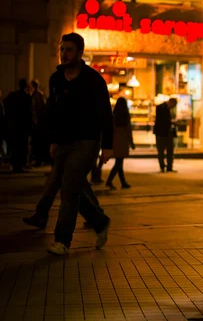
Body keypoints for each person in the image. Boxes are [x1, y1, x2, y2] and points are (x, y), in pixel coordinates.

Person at [44, 32, 113, 255]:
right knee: (70, 187)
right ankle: (99, 221)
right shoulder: (55, 79)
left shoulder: (93, 80)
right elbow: (52, 112)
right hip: (63, 141)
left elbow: (106, 114)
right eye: (62, 49)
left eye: (69, 50)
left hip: (87, 141)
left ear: (80, 53)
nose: (64, 54)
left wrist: (108, 146)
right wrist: (53, 140)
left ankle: (62, 240)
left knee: (69, 184)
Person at [3, 78, 33, 172]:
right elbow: (29, 113)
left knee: (15, 145)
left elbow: (6, 107)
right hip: (23, 126)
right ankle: (21, 165)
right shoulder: (27, 97)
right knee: (22, 146)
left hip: (14, 125)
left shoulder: (13, 96)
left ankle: (15, 164)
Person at [106, 97, 135, 189]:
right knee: (119, 162)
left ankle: (122, 182)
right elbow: (128, 129)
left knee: (119, 161)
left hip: (115, 139)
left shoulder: (113, 114)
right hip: (123, 139)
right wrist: (131, 142)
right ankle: (110, 181)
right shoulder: (125, 115)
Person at [154, 97, 178, 172]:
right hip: (161, 133)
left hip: (168, 132)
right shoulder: (160, 107)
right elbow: (162, 120)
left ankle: (169, 167)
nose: (173, 107)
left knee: (169, 150)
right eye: (173, 105)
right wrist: (172, 122)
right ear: (170, 102)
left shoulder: (169, 109)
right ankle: (163, 166)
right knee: (161, 151)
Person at [30, 79, 49, 166]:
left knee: (37, 142)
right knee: (37, 142)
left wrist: (38, 121)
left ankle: (39, 160)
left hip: (38, 123)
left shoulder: (37, 96)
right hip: (37, 122)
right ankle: (38, 159)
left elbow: (40, 109)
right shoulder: (37, 95)